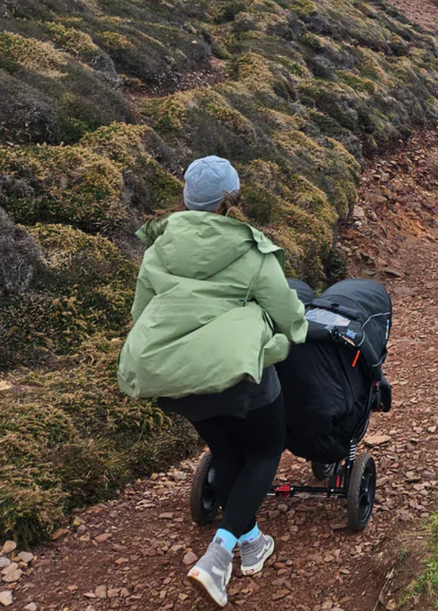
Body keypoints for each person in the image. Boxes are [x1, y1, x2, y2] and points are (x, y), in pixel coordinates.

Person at [117, 156, 307, 607]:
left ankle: (252, 541)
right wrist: (294, 333)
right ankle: (218, 557)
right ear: (230, 200)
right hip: (237, 376)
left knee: (225, 453)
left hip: (177, 379)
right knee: (265, 450)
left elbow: (141, 313)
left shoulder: (158, 247)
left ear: (186, 198)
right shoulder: (251, 251)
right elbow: (286, 313)